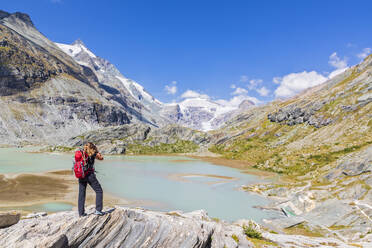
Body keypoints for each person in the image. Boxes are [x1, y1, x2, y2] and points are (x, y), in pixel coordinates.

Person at [78, 142, 104, 217]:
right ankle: (98, 210)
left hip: (81, 175)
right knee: (99, 191)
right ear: (92, 147)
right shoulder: (93, 153)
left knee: (81, 194)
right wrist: (97, 151)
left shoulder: (81, 153)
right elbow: (101, 158)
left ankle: (81, 213)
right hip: (89, 175)